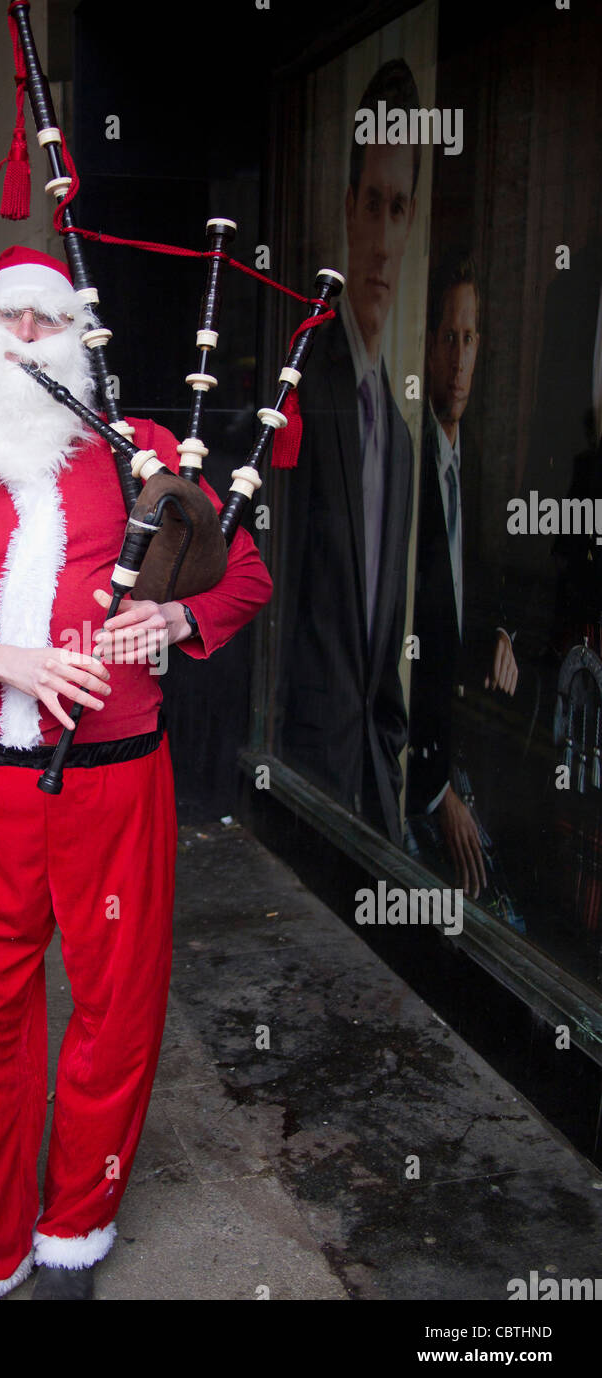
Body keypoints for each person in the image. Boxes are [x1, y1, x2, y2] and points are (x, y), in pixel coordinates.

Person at [0, 246, 273, 1300]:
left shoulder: (142, 454)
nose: (26, 336)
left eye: (47, 319)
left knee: (116, 1012)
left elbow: (245, 577)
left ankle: (73, 1236)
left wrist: (172, 619)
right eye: (7, 318)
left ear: (77, 341)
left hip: (117, 782)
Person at [275, 59, 419, 845]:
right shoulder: (300, 379)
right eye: (372, 203)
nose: (384, 238)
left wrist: (386, 757)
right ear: (347, 212)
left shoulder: (396, 436)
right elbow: (273, 593)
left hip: (369, 790)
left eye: (399, 209)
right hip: (300, 783)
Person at [407, 251, 517, 895]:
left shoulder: (475, 463)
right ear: (427, 346)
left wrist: (501, 632)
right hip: (421, 774)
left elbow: (477, 584)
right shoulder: (409, 457)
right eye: (448, 337)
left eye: (469, 338)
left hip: (467, 756)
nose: (458, 358)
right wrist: (435, 789)